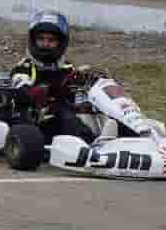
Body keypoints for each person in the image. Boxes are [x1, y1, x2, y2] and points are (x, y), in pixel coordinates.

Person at [7, 10, 98, 145]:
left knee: (96, 112)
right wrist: (37, 91)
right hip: (35, 120)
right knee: (64, 115)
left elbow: (76, 90)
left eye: (51, 40)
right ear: (33, 41)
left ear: (61, 42)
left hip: (64, 116)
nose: (45, 44)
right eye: (41, 39)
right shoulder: (24, 67)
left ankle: (128, 136)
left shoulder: (67, 67)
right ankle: (90, 145)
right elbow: (21, 89)